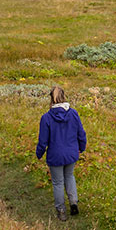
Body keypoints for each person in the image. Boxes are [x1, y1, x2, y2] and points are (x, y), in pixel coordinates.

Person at [35, 86, 87, 221]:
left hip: (55, 155)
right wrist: (82, 147)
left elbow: (43, 141)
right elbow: (81, 133)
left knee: (58, 182)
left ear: (51, 99)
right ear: (64, 97)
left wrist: (39, 154)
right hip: (71, 153)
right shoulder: (73, 113)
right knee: (69, 176)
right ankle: (73, 202)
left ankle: (61, 210)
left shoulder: (46, 118)